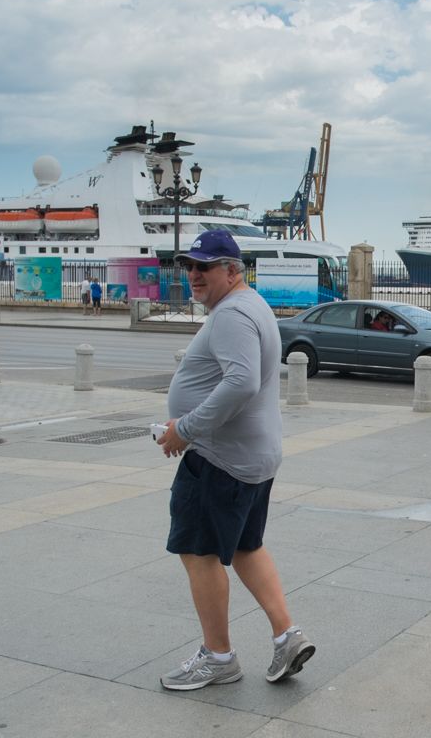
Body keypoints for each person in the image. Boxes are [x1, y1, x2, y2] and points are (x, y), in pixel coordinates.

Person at [157, 229, 315, 692]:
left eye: (203, 267)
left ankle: (218, 657)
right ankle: (287, 636)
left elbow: (242, 382)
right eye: (189, 266)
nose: (193, 275)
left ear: (231, 269)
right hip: (251, 456)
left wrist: (184, 430)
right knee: (246, 545)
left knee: (199, 552)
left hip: (219, 460)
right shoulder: (254, 304)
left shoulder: (232, 314)